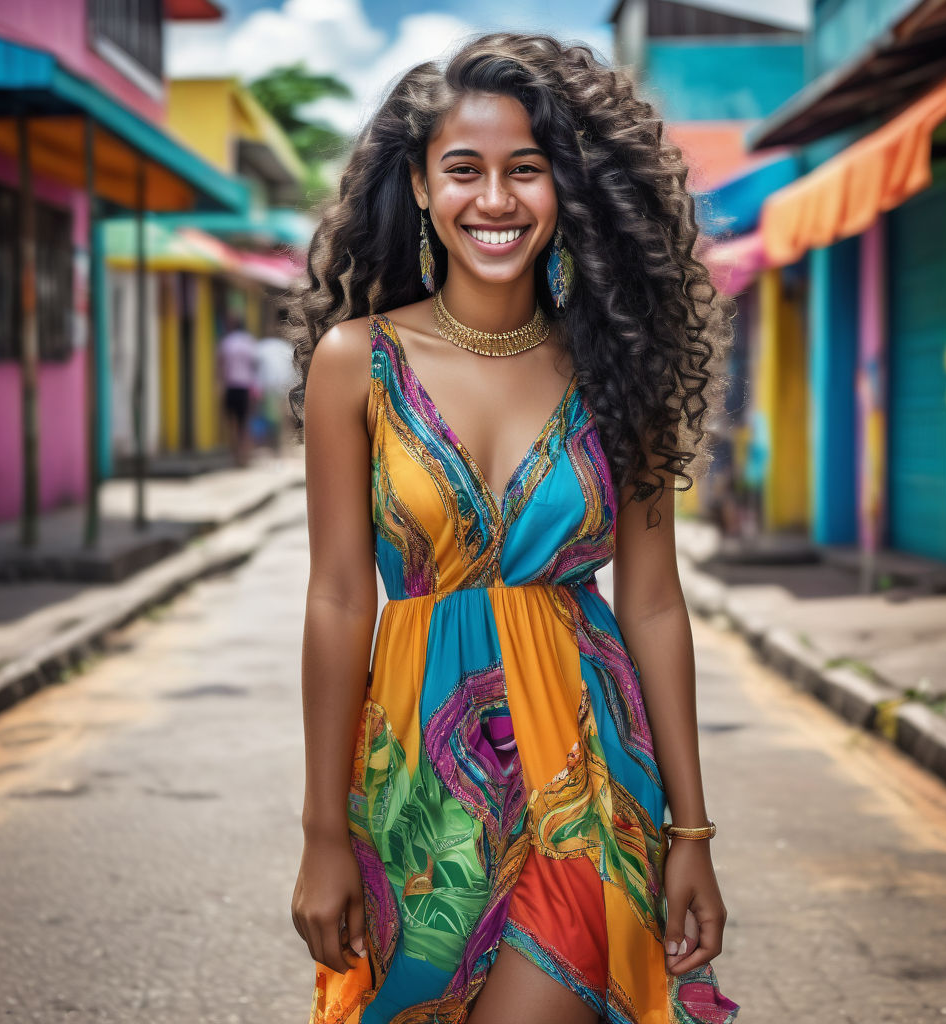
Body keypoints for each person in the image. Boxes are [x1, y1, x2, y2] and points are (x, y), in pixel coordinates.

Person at [289, 32, 739, 1024]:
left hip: (586, 772)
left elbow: (654, 604)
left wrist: (690, 829)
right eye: (464, 169)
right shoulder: (352, 364)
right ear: (417, 184)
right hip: (412, 777)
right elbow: (335, 594)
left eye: (525, 170)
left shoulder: (622, 367)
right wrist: (324, 828)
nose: (494, 200)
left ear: (565, 188)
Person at [217, 313, 260, 467]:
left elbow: (220, 366)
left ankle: (235, 455)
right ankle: (244, 457)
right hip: (245, 387)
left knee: (232, 423)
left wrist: (219, 385)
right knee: (244, 422)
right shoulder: (249, 342)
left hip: (231, 386)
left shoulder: (226, 342)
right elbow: (255, 366)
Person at [255, 308, 297, 458]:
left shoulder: (265, 346)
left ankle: (279, 452)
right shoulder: (286, 347)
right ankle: (282, 451)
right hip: (281, 389)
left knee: (274, 421)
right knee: (281, 421)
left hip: (273, 389)